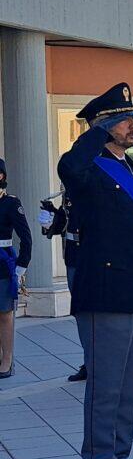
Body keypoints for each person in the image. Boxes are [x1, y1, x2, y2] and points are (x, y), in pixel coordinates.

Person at [59, 83, 133, 459]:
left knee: (129, 385)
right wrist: (97, 132)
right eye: (122, 119)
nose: (132, 125)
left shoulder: (131, 167)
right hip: (104, 292)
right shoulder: (90, 165)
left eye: (131, 117)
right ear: (104, 126)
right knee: (105, 387)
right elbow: (68, 169)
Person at [39, 194, 87, 382]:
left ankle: (97, 361)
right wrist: (52, 216)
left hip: (90, 260)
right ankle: (89, 360)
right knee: (80, 313)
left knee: (92, 314)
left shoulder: (91, 186)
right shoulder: (69, 191)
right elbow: (66, 223)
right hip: (73, 259)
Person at [0, 159, 32, 378]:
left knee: (4, 313)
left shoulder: (10, 203)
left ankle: (7, 359)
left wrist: (21, 267)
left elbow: (26, 238)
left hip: (2, 263)